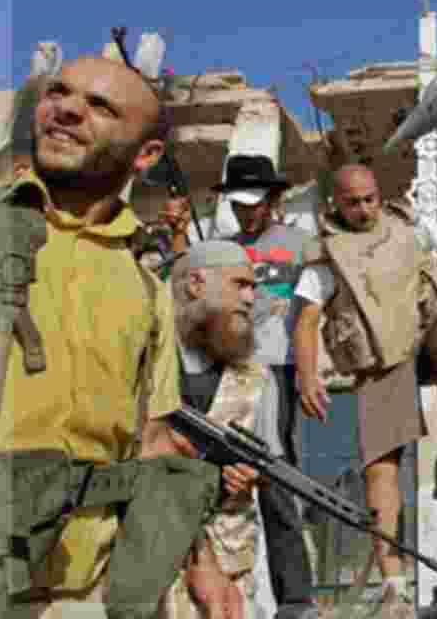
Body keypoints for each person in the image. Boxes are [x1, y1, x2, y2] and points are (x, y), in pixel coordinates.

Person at [0, 55, 256, 618]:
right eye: (58, 92)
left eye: (99, 106)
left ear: (146, 155)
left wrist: (202, 564)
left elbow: (154, 441)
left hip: (88, 591)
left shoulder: (144, 284)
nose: (66, 110)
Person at [292, 163, 437, 619]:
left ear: (380, 195)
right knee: (381, 471)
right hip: (379, 358)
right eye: (352, 202)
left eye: (369, 199)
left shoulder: (409, 225)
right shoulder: (327, 254)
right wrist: (307, 375)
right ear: (336, 203)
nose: (363, 210)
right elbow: (306, 318)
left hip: (424, 331)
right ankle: (394, 584)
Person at [163, 155, 319, 618]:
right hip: (215, 370)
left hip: (276, 369)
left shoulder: (300, 243)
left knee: (276, 477)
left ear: (273, 200)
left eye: (255, 202)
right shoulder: (219, 248)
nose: (247, 211)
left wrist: (310, 368)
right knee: (210, 476)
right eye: (238, 203)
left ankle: (295, 597)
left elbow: (318, 302)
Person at [162, 240, 286, 619]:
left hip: (234, 580)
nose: (251, 298)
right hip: (151, 572)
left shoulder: (257, 377)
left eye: (253, 287)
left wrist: (253, 476)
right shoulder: (148, 362)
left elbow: (273, 484)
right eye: (240, 284)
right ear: (196, 284)